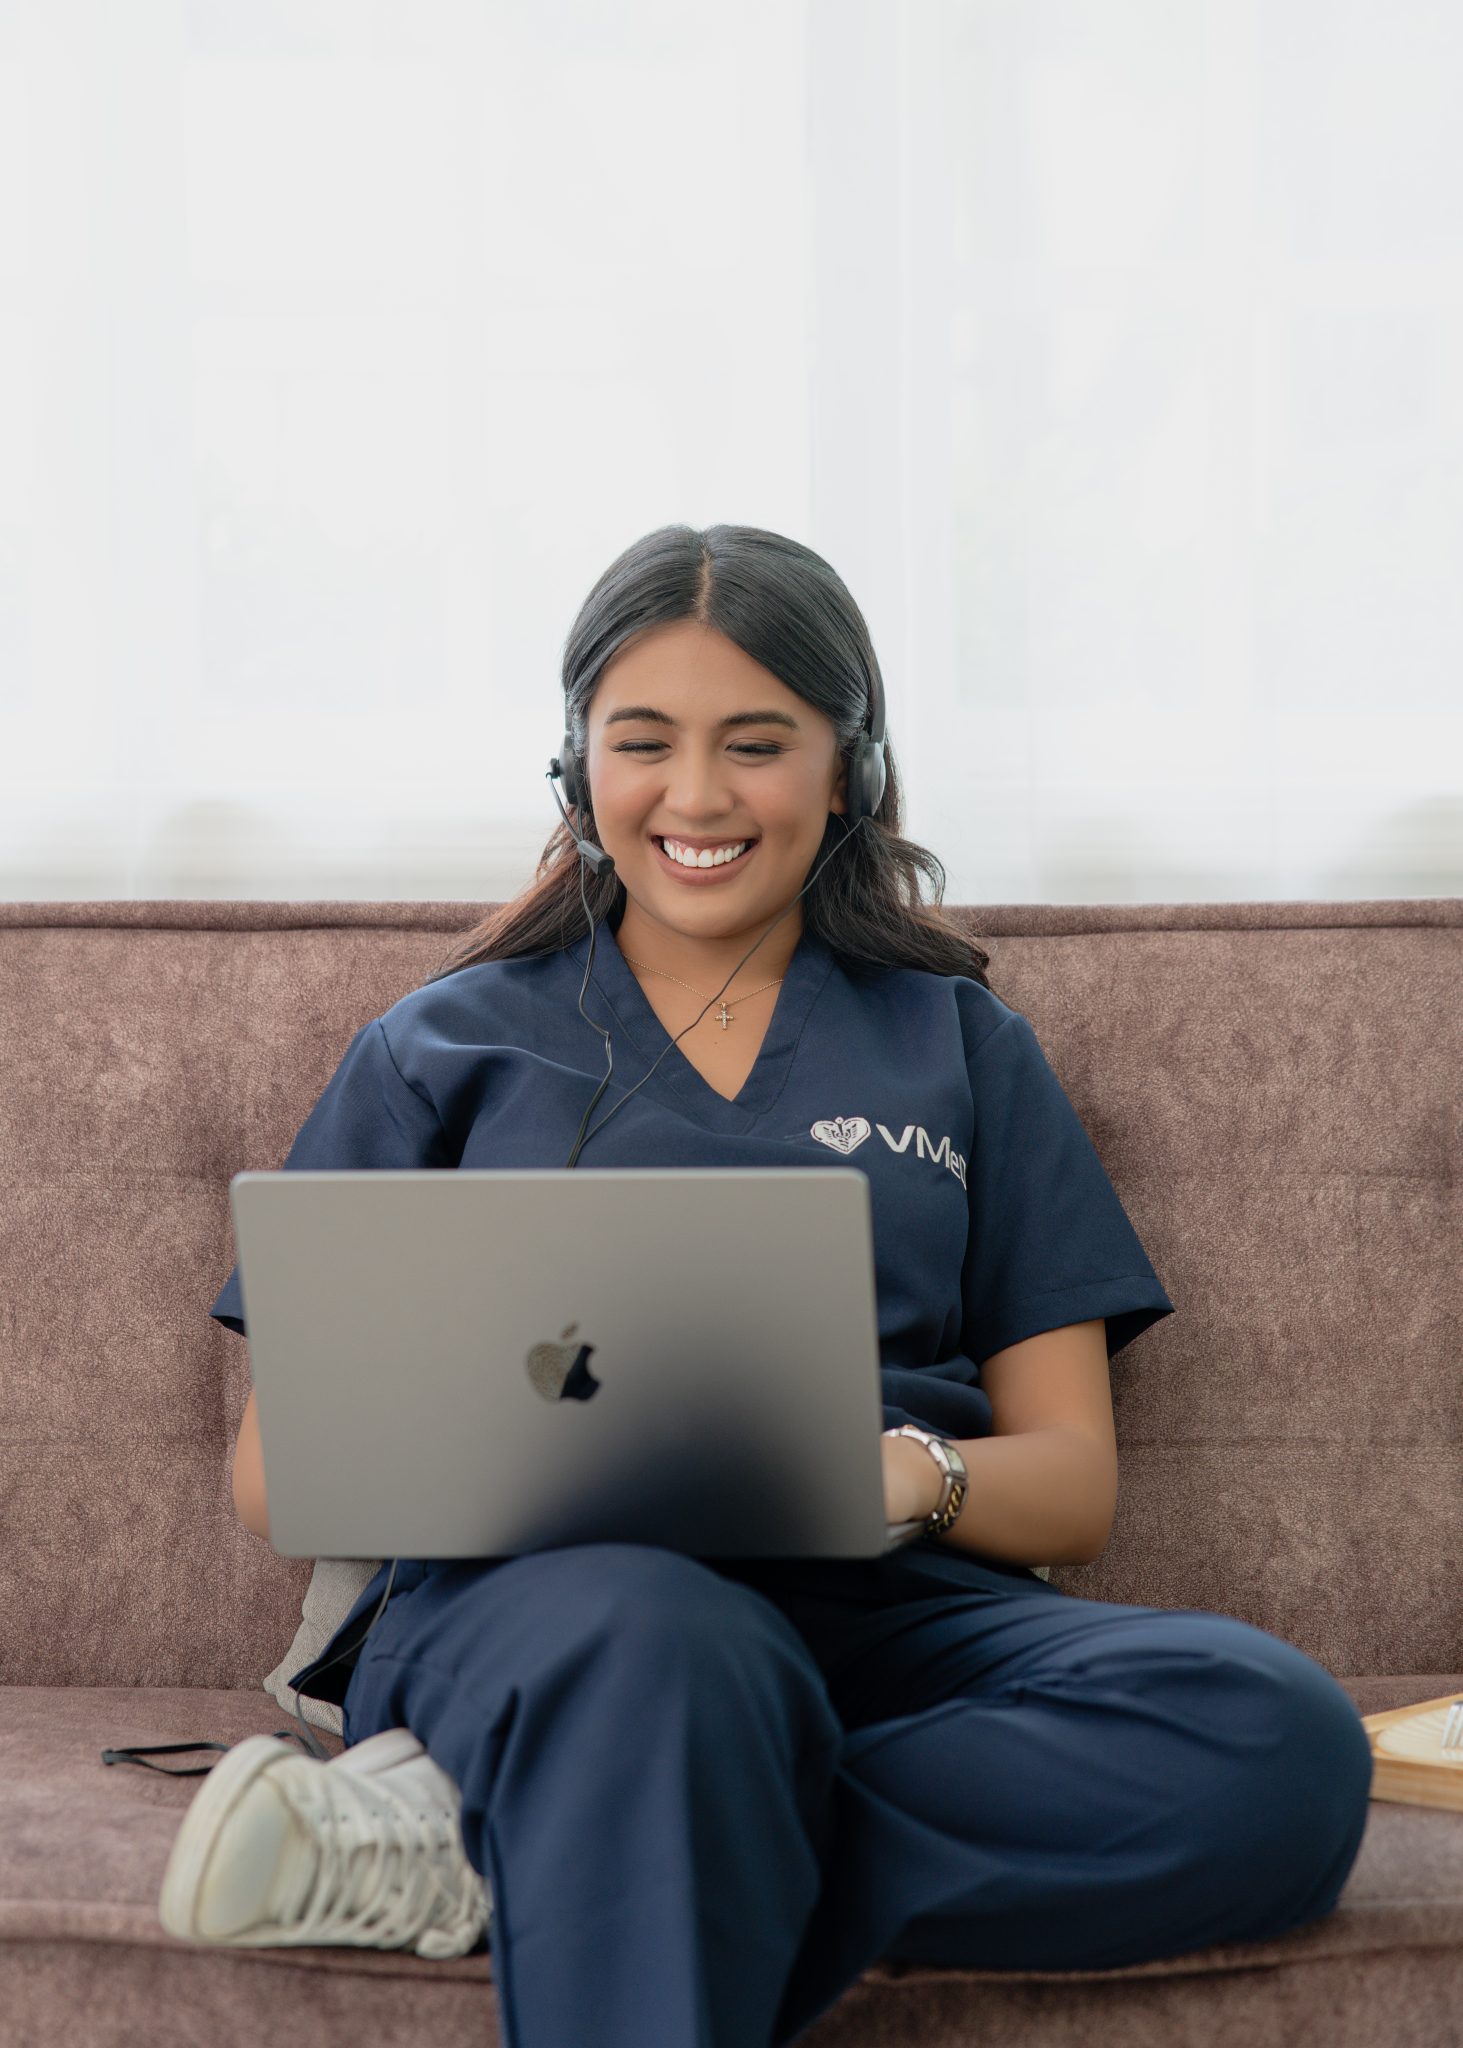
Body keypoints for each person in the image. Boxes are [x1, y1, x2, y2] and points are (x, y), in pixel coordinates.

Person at [164, 524, 1375, 2048]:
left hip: (890, 1605)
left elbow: (1071, 1485)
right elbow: (285, 1476)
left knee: (1276, 1740)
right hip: (563, 1618)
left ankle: (507, 1840)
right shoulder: (438, 1047)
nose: (697, 797)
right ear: (573, 769)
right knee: (675, 1659)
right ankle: (598, 1789)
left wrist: (907, 1479)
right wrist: (557, 1474)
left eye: (758, 743)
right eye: (642, 742)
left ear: (847, 770)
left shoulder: (961, 1044)